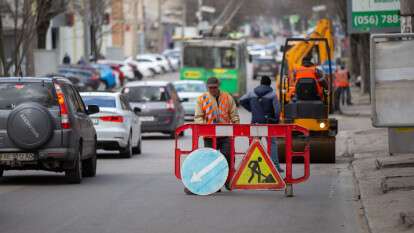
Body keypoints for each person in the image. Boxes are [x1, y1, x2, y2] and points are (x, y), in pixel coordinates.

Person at [192, 77, 240, 192]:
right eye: (210, 88)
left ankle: (228, 180)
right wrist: (205, 128)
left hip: (225, 134)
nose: (213, 90)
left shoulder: (227, 97)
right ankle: (215, 183)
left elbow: (234, 114)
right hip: (209, 136)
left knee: (227, 156)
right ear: (207, 87)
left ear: (218, 86)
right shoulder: (202, 99)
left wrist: (236, 125)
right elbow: (198, 117)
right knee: (210, 161)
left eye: (215, 87)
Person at [239, 76, 284, 172]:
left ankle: (250, 166)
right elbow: (277, 110)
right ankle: (275, 166)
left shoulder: (252, 93)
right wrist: (275, 120)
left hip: (255, 122)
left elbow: (241, 100)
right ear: (269, 84)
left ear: (260, 83)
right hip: (269, 123)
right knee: (272, 143)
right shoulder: (272, 94)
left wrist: (251, 109)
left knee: (254, 144)